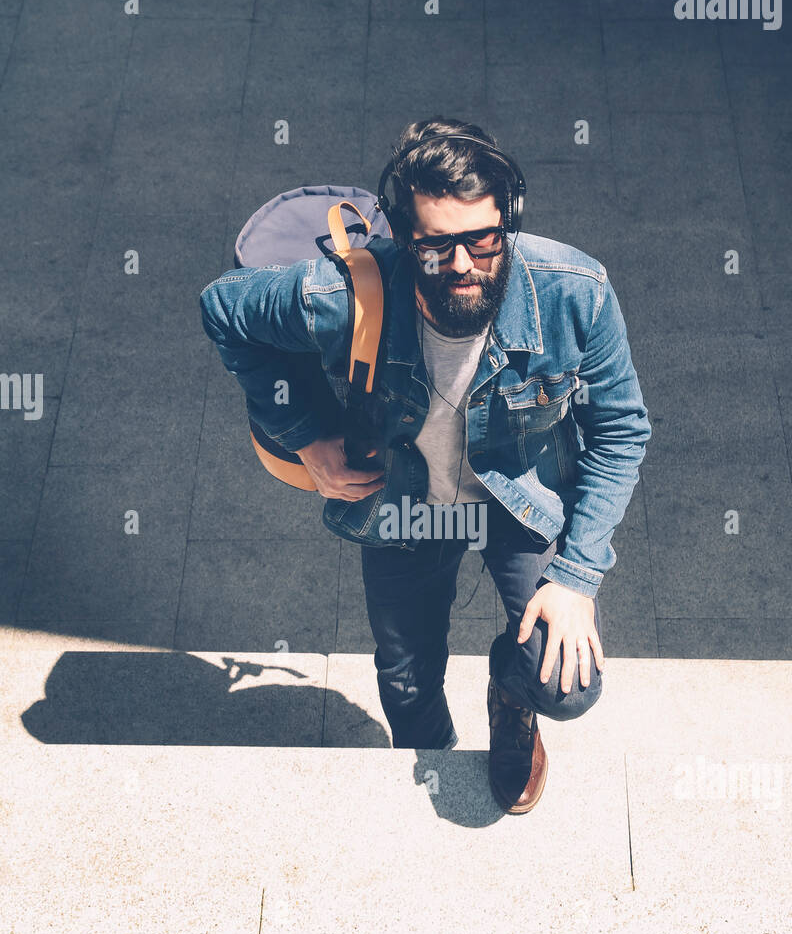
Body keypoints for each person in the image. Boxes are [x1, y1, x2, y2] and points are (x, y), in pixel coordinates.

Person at [200, 118, 651, 814]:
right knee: (405, 681)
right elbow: (224, 308)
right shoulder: (341, 294)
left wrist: (577, 577)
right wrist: (305, 436)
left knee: (568, 682)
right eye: (437, 245)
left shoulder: (576, 291)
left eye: (483, 239)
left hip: (519, 498)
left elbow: (622, 432)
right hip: (406, 505)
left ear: (510, 221)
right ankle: (430, 762)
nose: (464, 263)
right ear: (406, 240)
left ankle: (511, 695)